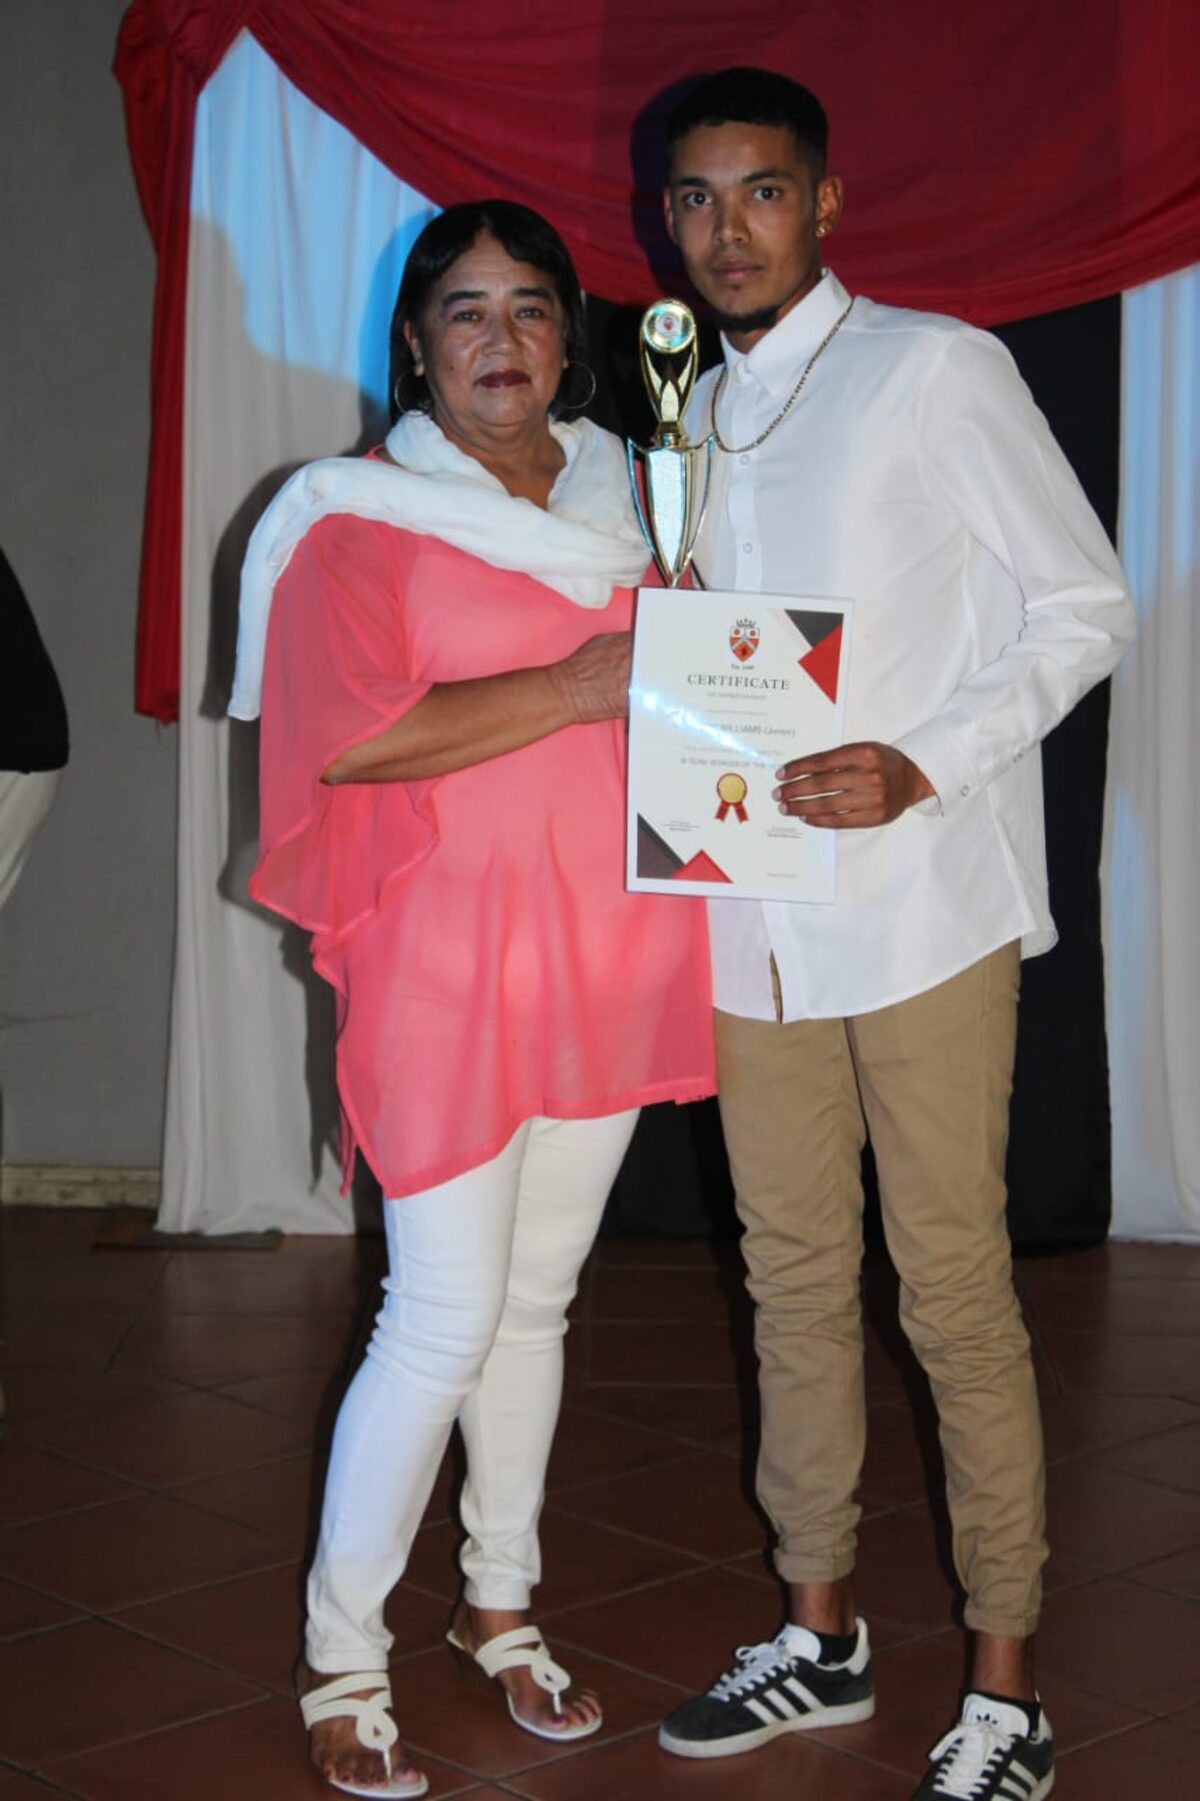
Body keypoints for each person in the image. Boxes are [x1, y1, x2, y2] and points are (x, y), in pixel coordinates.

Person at [652, 68, 1135, 1801]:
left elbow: (1085, 603)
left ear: (827, 202)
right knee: (788, 1280)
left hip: (918, 906)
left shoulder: (936, 368)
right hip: (749, 915)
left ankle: (1006, 1687)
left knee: (950, 1289)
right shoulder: (686, 417)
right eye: (695, 199)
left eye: (761, 192)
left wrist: (925, 756)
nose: (727, 230)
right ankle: (823, 1633)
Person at [229, 201, 714, 1799]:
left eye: (528, 309)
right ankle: (342, 1652)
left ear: (572, 338)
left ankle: (500, 1605)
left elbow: (709, 694)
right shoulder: (358, 515)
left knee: (537, 1304)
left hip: (608, 950)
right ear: (417, 345)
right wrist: (574, 685)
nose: (498, 338)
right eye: (464, 310)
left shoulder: (638, 499)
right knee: (436, 1314)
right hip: (443, 960)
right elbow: (347, 740)